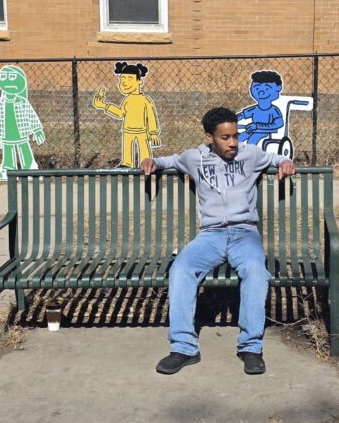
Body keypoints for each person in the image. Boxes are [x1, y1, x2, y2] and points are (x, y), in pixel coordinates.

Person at [141, 107, 295, 376]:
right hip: (210, 236)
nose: (232, 143)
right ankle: (183, 347)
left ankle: (250, 347)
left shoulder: (250, 155)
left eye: (235, 136)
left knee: (256, 272)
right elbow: (170, 160)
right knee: (181, 270)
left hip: (244, 234)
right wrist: (152, 162)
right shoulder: (194, 158)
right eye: (225, 137)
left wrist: (285, 162)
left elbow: (276, 157)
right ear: (209, 137)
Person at [92, 61, 161, 167]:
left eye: (129, 79)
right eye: (123, 79)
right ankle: (127, 163)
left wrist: (154, 133)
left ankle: (146, 163)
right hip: (127, 130)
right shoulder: (127, 100)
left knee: (144, 149)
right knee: (127, 149)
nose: (125, 82)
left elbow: (151, 117)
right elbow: (120, 113)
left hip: (142, 131)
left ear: (140, 82)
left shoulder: (145, 100)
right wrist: (104, 105)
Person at [237, 70, 284, 147]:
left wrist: (257, 126)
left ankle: (251, 157)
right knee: (239, 138)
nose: (261, 92)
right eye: (257, 88)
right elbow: (241, 115)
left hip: (264, 131)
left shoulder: (274, 110)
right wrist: (230, 120)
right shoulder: (254, 109)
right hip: (252, 130)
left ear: (278, 88)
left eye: (267, 89)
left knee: (252, 140)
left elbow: (279, 123)